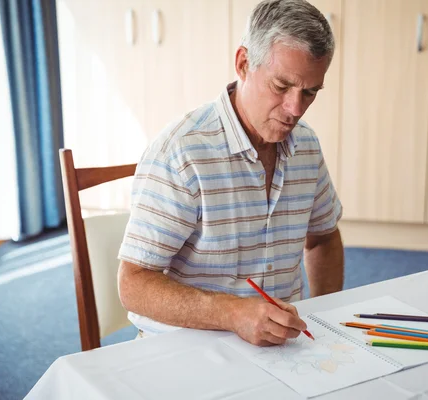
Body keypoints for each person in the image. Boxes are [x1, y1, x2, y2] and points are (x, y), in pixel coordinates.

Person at [117, 0, 343, 346]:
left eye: (310, 92)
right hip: (188, 347)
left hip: (281, 346)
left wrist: (326, 320)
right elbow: (133, 283)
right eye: (282, 86)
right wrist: (232, 313)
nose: (295, 109)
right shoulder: (182, 152)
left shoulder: (306, 145)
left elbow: (323, 238)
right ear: (243, 63)